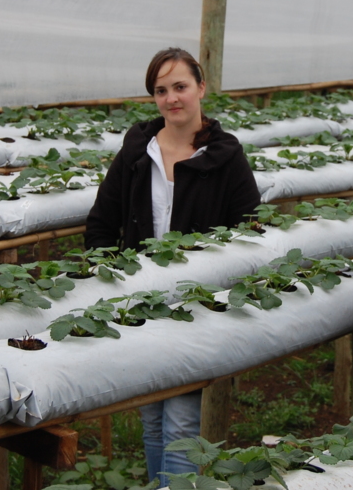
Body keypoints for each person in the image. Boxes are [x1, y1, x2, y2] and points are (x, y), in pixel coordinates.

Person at [85, 47, 261, 486]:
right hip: (140, 303)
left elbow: (251, 231)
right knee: (152, 420)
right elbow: (101, 223)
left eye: (180, 86)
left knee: (182, 422)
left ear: (201, 87)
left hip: (195, 307)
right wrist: (105, 283)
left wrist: (221, 298)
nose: (171, 99)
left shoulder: (225, 158)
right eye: (161, 91)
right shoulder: (136, 153)